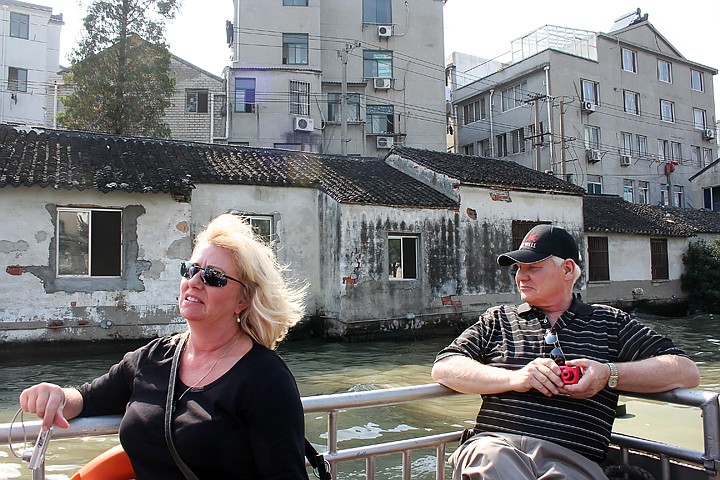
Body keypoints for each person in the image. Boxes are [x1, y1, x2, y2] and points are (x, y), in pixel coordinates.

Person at [20, 213, 310, 479]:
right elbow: (87, 398)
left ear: (243, 300)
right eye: (190, 269)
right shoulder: (152, 359)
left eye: (213, 277)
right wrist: (56, 396)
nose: (194, 282)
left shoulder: (265, 379)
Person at [431, 224, 700, 480]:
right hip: (496, 446)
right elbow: (445, 366)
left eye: (533, 267)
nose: (521, 276)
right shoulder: (498, 319)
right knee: (491, 457)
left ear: (568, 270)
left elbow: (685, 370)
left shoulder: (611, 323)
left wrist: (609, 373)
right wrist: (515, 379)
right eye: (518, 268)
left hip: (571, 462)